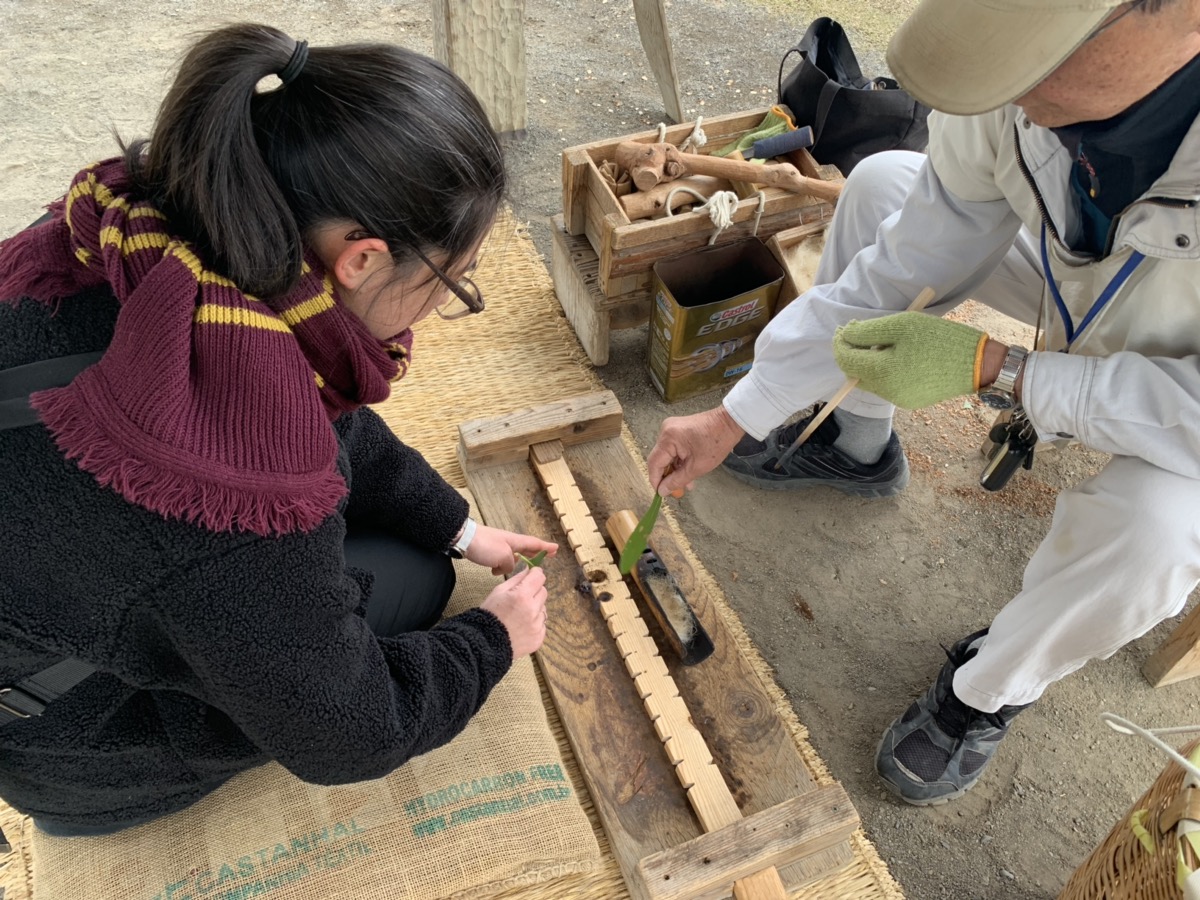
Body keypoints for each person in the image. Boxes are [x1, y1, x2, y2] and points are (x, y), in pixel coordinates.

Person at [0, 24, 558, 835]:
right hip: (69, 744)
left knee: (411, 550)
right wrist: (494, 638)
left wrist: (458, 526)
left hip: (58, 590)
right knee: (412, 579)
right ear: (361, 259)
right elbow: (350, 734)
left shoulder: (146, 239)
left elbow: (325, 426)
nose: (444, 304)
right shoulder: (225, 479)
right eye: (454, 280)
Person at [648, 0, 1200, 805]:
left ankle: (988, 690)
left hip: (1183, 390)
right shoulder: (1012, 93)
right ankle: (858, 445)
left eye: (1040, 50)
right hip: (1078, 287)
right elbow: (902, 267)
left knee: (1156, 530)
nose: (1007, 89)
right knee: (879, 185)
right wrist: (737, 413)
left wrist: (1009, 372)